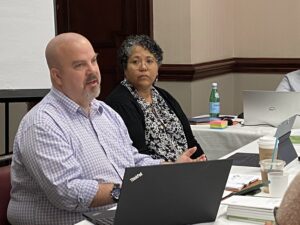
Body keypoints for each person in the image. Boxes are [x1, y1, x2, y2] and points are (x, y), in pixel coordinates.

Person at [7, 33, 204, 225]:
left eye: (93, 61)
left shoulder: (105, 112)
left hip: (118, 214)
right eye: (80, 65)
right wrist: (130, 189)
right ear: (57, 76)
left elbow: (132, 159)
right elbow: (67, 192)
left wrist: (172, 169)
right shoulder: (42, 123)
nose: (92, 71)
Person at [105, 34, 206, 162]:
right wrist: (174, 166)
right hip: (154, 176)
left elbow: (190, 140)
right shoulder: (119, 103)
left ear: (157, 67)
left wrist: (202, 162)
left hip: (185, 170)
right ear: (125, 69)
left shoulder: (164, 96)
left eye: (149, 61)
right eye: (135, 61)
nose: (143, 67)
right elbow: (138, 157)